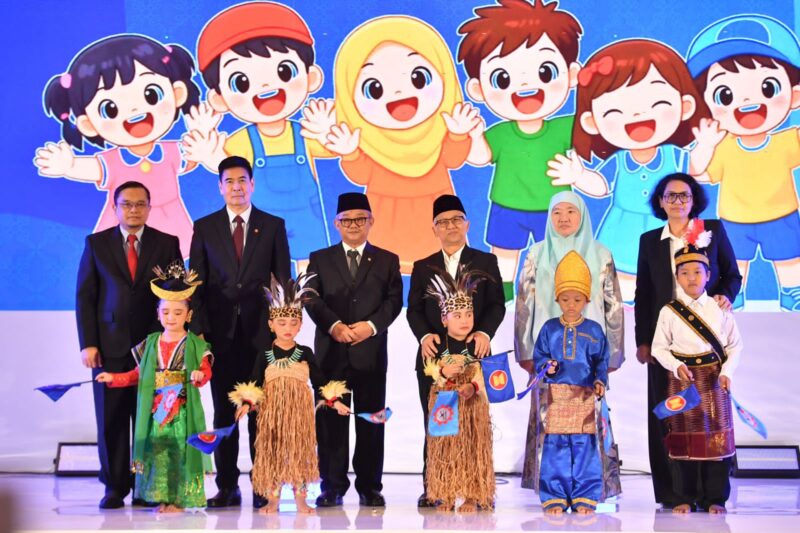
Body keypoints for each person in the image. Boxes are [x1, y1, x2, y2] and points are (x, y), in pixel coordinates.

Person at [300, 15, 482, 273]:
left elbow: (453, 159)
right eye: (374, 88)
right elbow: (361, 174)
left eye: (418, 78)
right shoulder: (370, 140)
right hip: (386, 215)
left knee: (440, 273)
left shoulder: (440, 129)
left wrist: (458, 135)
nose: (398, 93)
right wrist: (350, 153)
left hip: (434, 212)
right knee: (385, 273)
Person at [548, 39, 724, 302]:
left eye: (657, 103)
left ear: (684, 106)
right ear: (592, 122)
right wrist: (579, 176)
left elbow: (694, 168)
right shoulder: (619, 161)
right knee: (625, 280)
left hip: (667, 226)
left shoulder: (672, 155)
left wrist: (707, 145)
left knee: (668, 276)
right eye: (616, 110)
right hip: (623, 228)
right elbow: (602, 186)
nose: (638, 115)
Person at [457, 0, 606, 301]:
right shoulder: (500, 133)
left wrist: (579, 175)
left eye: (545, 71)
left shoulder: (566, 127)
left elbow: (602, 183)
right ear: (478, 89)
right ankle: (502, 298)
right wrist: (471, 134)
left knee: (557, 255)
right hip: (507, 204)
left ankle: (556, 299)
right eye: (502, 78)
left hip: (554, 208)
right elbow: (479, 157)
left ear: (571, 75)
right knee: (504, 255)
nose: (525, 84)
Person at [187, 2, 330, 274]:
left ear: (311, 78)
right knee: (265, 274)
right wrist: (208, 151)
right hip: (261, 225)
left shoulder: (305, 133)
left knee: (309, 275)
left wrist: (330, 133)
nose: (265, 86)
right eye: (241, 82)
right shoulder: (242, 141)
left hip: (307, 221)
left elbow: (337, 150)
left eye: (284, 71)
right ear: (219, 99)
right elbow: (225, 166)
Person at [35, 35, 202, 258]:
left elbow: (193, 157)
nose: (135, 111)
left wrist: (203, 136)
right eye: (110, 109)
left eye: (151, 95)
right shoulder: (113, 162)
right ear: (88, 124)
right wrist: (68, 165)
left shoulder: (170, 151)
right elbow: (92, 168)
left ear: (177, 94)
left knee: (173, 268)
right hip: (126, 225)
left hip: (171, 222)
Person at [189, 155, 291, 508]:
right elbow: (196, 284)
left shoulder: (272, 226)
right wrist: (200, 333)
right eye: (229, 181)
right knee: (224, 413)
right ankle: (227, 486)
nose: (236, 187)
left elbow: (282, 282)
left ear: (252, 184)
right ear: (220, 187)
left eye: (242, 181)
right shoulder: (205, 227)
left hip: (260, 336)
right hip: (219, 336)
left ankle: (262, 484)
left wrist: (279, 332)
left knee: (261, 413)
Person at [635, 173, 741, 507]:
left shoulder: (713, 231)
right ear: (661, 201)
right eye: (671, 195)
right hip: (666, 342)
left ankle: (712, 494)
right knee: (669, 417)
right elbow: (643, 293)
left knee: (711, 420)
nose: (678, 201)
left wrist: (724, 296)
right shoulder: (649, 240)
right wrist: (643, 340)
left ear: (694, 200)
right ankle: (673, 493)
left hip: (706, 344)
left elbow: (732, 275)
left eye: (684, 195)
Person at [76, 181, 181, 509]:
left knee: (150, 421)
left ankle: (146, 486)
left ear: (149, 207)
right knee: (111, 420)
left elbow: (177, 294)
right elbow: (86, 297)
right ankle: (114, 486)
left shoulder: (167, 243)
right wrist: (88, 343)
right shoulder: (96, 244)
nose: (133, 210)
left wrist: (175, 340)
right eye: (127, 204)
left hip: (154, 347)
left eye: (140, 204)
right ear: (115, 207)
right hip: (108, 347)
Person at [686, 14, 800, 311]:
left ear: (794, 95)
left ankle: (793, 294)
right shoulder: (722, 146)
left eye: (768, 88)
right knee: (734, 263)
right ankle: (731, 299)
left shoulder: (787, 141)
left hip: (782, 215)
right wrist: (704, 146)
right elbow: (697, 174)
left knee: (790, 260)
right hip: (735, 219)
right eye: (725, 95)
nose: (748, 102)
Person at [515, 191, 623, 500]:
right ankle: (552, 489)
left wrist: (612, 354)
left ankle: (591, 487)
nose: (563, 218)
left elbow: (613, 306)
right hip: (547, 354)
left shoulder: (601, 254)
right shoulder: (536, 253)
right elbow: (524, 305)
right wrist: (526, 351)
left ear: (583, 216)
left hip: (589, 355)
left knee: (590, 418)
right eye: (557, 212)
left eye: (571, 212)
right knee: (550, 418)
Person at [305, 192, 403, 507]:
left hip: (370, 354)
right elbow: (310, 297)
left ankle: (370, 487)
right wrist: (334, 326)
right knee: (330, 424)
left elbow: (394, 301)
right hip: (331, 354)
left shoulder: (387, 260)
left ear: (371, 221)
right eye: (346, 220)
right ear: (336, 224)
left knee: (371, 422)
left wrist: (370, 327)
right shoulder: (320, 258)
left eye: (360, 219)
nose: (353, 225)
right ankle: (331, 486)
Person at [407, 194, 505, 507]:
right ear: (434, 228)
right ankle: (435, 487)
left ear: (467, 224)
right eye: (443, 222)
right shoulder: (423, 266)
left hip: (474, 356)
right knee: (437, 423)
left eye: (456, 220)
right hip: (435, 359)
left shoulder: (485, 261)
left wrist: (484, 332)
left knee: (473, 425)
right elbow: (414, 310)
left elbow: (497, 305)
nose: (450, 226)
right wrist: (424, 336)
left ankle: (477, 488)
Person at [95, 262, 212, 513]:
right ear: (157, 314)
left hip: (181, 412)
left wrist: (199, 375)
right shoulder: (150, 343)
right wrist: (113, 378)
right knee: (159, 453)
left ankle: (179, 500)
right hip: (157, 412)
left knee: (180, 452)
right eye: (166, 312)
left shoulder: (195, 344)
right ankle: (162, 498)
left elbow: (205, 373)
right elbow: (138, 375)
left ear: (189, 315)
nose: (171, 318)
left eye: (178, 313)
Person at [229, 274, 346, 514]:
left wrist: (335, 402)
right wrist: (247, 403)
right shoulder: (264, 354)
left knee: (298, 455)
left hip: (299, 419)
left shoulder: (305, 353)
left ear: (301, 325)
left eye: (293, 323)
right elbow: (254, 382)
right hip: (272, 417)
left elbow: (320, 382)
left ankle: (301, 500)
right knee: (272, 455)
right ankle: (273, 501)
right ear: (271, 324)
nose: (288, 328)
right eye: (281, 323)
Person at [650, 241, 743, 514]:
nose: (691, 278)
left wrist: (726, 372)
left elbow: (735, 345)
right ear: (677, 277)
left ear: (708, 275)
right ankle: (684, 497)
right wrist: (675, 365)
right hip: (683, 381)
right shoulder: (668, 311)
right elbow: (658, 348)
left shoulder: (720, 307)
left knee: (716, 439)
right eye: (685, 273)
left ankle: (715, 498)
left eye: (697, 272)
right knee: (682, 436)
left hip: (714, 380)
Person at [533, 251, 609, 515]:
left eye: (577, 299)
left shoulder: (594, 330)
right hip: (555, 396)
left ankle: (585, 495)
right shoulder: (549, 329)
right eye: (565, 299)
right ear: (557, 299)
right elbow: (539, 357)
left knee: (584, 446)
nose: (571, 305)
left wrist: (600, 380)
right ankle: (554, 495)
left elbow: (601, 361)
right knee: (555, 446)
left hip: (585, 396)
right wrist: (547, 366)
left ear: (587, 299)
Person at [423, 266, 495, 512]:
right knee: (445, 449)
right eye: (457, 315)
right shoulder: (435, 345)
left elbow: (487, 375)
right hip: (445, 408)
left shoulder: (478, 345)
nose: (464, 320)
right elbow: (429, 374)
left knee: (473, 450)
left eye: (468, 314)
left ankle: (474, 495)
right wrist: (443, 373)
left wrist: (472, 386)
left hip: (471, 410)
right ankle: (446, 494)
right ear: (444, 319)